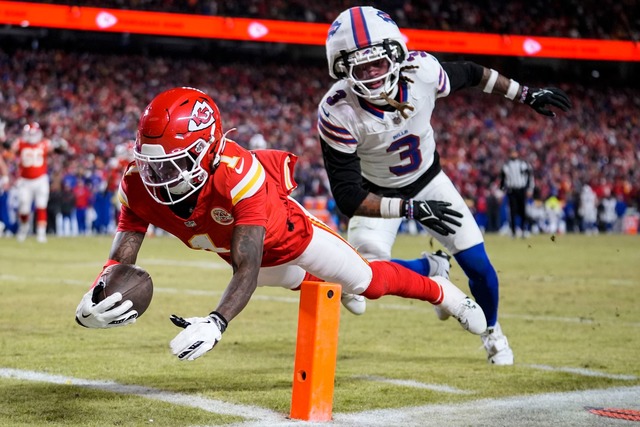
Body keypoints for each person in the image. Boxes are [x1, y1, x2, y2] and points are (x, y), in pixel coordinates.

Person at [74, 87, 487, 362]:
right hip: (248, 258)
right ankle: (401, 273)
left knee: (369, 284)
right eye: (152, 166)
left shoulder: (238, 174)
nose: (158, 179)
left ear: (208, 152)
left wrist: (217, 321)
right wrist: (97, 292)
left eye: (174, 165)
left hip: (292, 240)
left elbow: (247, 266)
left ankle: (443, 292)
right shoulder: (138, 184)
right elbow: (123, 253)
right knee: (327, 286)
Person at [318, 6, 571, 365]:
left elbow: (473, 73)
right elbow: (347, 196)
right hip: (377, 191)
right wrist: (407, 209)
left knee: (480, 267)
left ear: (396, 53)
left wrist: (525, 94)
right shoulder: (337, 111)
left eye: (378, 62)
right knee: (361, 284)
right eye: (361, 67)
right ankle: (432, 269)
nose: (373, 75)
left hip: (430, 182)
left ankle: (492, 330)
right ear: (343, 70)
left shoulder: (422, 71)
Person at [11, 122, 55, 242]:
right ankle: (24, 228)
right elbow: (10, 150)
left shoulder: (45, 143)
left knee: (41, 206)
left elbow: (56, 150)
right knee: (24, 207)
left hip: (41, 179)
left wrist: (61, 147)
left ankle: (41, 234)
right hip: (25, 181)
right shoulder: (20, 143)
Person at [500, 149, 535, 238]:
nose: (513, 154)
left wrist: (530, 189)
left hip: (521, 189)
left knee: (523, 210)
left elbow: (529, 176)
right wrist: (502, 190)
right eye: (512, 152)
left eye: (515, 152)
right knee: (512, 211)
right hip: (512, 190)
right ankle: (513, 231)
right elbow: (503, 180)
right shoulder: (506, 166)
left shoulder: (523, 164)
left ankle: (524, 230)